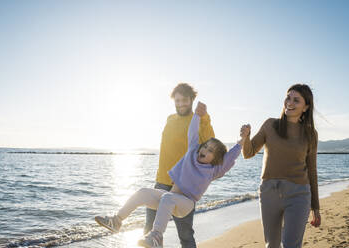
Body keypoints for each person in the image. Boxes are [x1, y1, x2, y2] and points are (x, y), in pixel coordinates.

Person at [95, 102, 242, 248]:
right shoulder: (192, 151)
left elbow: (230, 158)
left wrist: (241, 141)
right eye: (205, 146)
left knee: (168, 198)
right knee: (143, 192)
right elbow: (192, 132)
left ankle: (157, 237)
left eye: (211, 151)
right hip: (170, 197)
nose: (205, 150)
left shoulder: (214, 170)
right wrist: (196, 115)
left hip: (186, 204)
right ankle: (116, 220)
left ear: (216, 159)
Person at [240, 83, 321, 248]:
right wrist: (245, 137)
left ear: (305, 107)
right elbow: (248, 153)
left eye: (296, 100)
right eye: (288, 98)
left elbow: (312, 170)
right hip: (270, 192)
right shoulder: (270, 125)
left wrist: (316, 207)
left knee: (291, 245)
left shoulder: (311, 134)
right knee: (272, 245)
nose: (289, 103)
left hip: (299, 194)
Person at [146, 83, 215, 248]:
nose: (180, 104)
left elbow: (211, 143)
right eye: (177, 100)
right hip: (161, 181)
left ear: (192, 100)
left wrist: (204, 117)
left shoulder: (199, 120)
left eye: (184, 100)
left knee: (185, 234)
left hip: (184, 186)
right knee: (149, 231)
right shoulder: (170, 119)